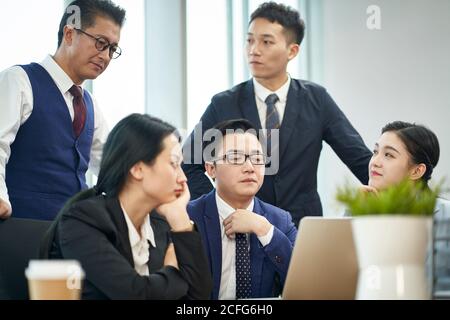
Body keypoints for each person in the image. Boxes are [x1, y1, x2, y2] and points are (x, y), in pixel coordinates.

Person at [182, 2, 372, 226]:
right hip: (242, 228)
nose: (254, 50)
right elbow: (189, 162)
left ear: (292, 50)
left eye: (266, 42)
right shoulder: (223, 103)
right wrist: (217, 206)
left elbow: (361, 160)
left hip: (302, 229)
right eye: (250, 40)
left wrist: (394, 201)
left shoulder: (317, 100)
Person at [39, 114, 213, 300]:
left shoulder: (160, 224)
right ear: (137, 169)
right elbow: (135, 293)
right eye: (174, 164)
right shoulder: (83, 220)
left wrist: (181, 222)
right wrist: (172, 269)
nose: (183, 177)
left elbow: (198, 298)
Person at [0, 0, 126, 220]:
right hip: (19, 229)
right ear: (69, 34)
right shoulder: (19, 80)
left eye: (112, 49)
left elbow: (112, 168)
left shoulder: (91, 105)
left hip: (73, 234)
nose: (105, 56)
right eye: (100, 43)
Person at [187, 119, 297, 300]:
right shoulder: (189, 217)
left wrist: (265, 231)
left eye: (257, 159)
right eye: (236, 158)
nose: (249, 167)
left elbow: (301, 280)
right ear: (211, 168)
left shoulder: (279, 221)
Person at [357, 121, 449, 293]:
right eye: (375, 152)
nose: (375, 162)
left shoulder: (445, 214)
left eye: (388, 155)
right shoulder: (361, 206)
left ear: (416, 171)